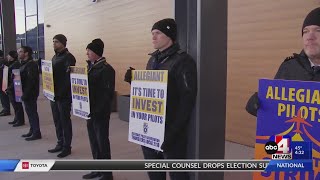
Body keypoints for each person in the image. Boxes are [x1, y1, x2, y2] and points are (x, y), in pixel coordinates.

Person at [124, 18, 197, 180]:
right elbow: (151, 90)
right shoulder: (153, 60)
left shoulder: (183, 61)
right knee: (155, 171)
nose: (153, 37)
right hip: (151, 127)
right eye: (152, 33)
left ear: (169, 35)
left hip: (171, 128)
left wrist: (174, 131)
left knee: (178, 173)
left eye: (157, 33)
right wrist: (134, 80)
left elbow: (187, 100)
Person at [246, 7, 320, 116]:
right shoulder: (289, 66)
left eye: (318, 30)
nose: (309, 37)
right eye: (305, 31)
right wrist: (258, 103)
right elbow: (275, 109)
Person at [82, 39, 115, 180]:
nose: (87, 53)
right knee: (94, 141)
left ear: (96, 52)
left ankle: (107, 174)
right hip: (90, 111)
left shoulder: (106, 69)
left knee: (102, 142)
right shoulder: (91, 66)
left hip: (100, 113)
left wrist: (98, 110)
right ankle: (98, 168)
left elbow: (107, 94)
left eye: (89, 50)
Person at [48, 34, 76, 158]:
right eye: (53, 41)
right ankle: (60, 143)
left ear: (63, 43)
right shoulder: (54, 57)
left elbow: (68, 78)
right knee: (57, 121)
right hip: (53, 95)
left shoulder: (69, 57)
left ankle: (67, 147)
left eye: (56, 42)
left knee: (65, 122)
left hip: (63, 96)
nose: (54, 44)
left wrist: (62, 93)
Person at [18, 46, 41, 141]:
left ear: (26, 53)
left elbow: (31, 81)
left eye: (20, 51)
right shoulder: (25, 63)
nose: (18, 53)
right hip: (26, 92)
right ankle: (32, 130)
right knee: (29, 112)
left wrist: (26, 94)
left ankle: (36, 132)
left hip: (30, 93)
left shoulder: (31, 65)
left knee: (32, 112)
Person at [5, 50, 25, 127]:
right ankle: (17, 118)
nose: (7, 57)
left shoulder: (15, 65)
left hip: (14, 88)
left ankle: (20, 120)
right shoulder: (12, 64)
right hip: (11, 87)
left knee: (17, 105)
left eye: (8, 55)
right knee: (15, 105)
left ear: (12, 57)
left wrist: (10, 87)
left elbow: (15, 78)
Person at [0, 50, 11, 116]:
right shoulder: (4, 61)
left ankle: (6, 109)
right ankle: (5, 109)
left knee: (3, 96)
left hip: (3, 81)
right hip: (3, 81)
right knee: (3, 96)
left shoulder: (2, 61)